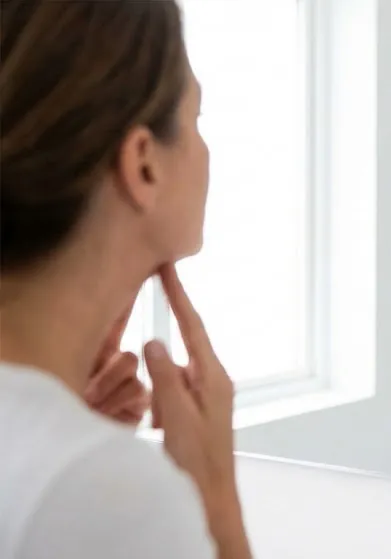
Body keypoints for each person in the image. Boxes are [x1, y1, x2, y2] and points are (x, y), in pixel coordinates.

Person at [1, 2, 251, 558]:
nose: (208, 153)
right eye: (196, 121)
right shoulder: (103, 491)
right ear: (143, 164)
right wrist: (215, 500)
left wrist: (62, 417)